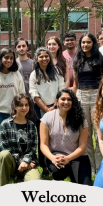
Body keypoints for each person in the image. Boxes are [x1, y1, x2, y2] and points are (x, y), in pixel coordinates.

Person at [0, 48, 26, 175]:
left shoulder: (16, 74)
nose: (8, 60)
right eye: (6, 57)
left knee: (16, 142)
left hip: (15, 114)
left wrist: (21, 111)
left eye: (11, 58)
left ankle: (15, 170)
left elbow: (22, 94)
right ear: (0, 58)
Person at [40, 89, 91, 185]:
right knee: (58, 172)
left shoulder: (81, 119)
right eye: (63, 99)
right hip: (56, 156)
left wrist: (68, 158)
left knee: (86, 187)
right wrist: (52, 158)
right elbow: (43, 144)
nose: (66, 102)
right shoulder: (47, 118)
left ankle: (73, 173)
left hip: (77, 156)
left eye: (69, 100)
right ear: (57, 101)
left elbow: (83, 146)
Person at [73, 33, 103, 174]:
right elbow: (76, 81)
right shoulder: (78, 60)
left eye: (88, 42)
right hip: (81, 95)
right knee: (85, 133)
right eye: (83, 42)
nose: (85, 45)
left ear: (93, 43)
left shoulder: (100, 59)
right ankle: (90, 167)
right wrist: (74, 97)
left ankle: (100, 166)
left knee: (98, 132)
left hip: (96, 95)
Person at [29, 47, 65, 177]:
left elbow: (62, 89)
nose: (44, 59)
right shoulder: (34, 74)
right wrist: (46, 109)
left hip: (58, 107)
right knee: (42, 139)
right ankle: (43, 166)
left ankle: (57, 162)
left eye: (46, 56)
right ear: (37, 59)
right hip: (40, 110)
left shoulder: (57, 71)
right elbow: (34, 94)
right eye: (41, 57)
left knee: (56, 136)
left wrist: (55, 107)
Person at [0, 94, 41, 186]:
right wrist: (22, 162)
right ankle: (1, 191)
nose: (24, 108)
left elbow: (33, 148)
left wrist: (26, 161)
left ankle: (22, 179)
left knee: (35, 182)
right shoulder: (5, 125)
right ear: (14, 106)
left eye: (26, 105)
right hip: (12, 164)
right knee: (3, 155)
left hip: (28, 163)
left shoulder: (31, 125)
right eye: (20, 105)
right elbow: (6, 148)